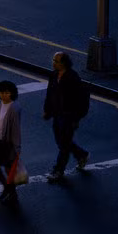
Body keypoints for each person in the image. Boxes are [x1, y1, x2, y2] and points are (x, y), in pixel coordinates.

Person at [43, 52, 89, 182]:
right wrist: (47, 110)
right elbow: (49, 93)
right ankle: (81, 154)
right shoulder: (53, 75)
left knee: (64, 145)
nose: (54, 63)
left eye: (57, 61)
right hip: (57, 114)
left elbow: (80, 100)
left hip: (68, 115)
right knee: (61, 141)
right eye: (53, 60)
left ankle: (58, 170)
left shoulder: (72, 77)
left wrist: (76, 119)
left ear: (64, 63)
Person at [0, 80, 22, 203]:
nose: (4, 95)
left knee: (9, 170)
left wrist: (17, 147)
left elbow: (16, 129)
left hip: (7, 144)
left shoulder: (15, 107)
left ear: (12, 93)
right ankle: (7, 189)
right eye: (2, 92)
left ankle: (10, 191)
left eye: (7, 93)